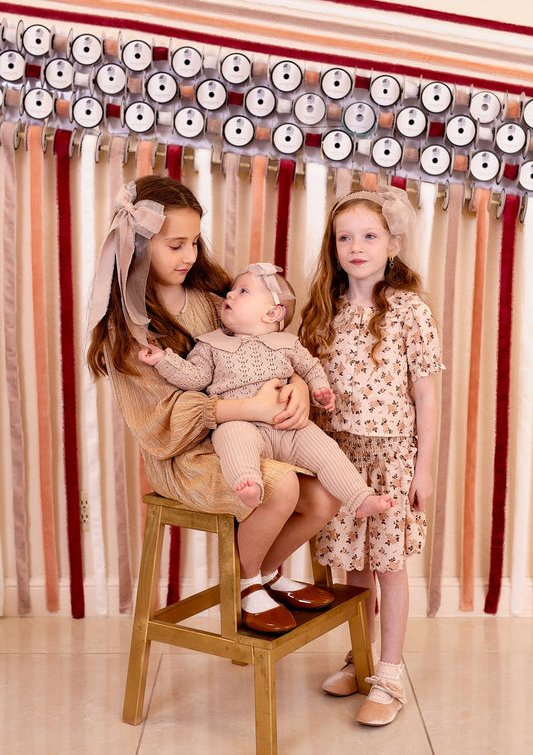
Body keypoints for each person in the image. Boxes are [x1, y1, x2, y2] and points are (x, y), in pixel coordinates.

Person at [87, 175, 347, 637]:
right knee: (283, 489)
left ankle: (267, 573)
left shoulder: (212, 301)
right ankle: (248, 586)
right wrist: (251, 408)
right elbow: (159, 426)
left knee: (325, 497)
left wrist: (297, 388)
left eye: (194, 242)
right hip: (184, 455)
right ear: (138, 246)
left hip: (253, 436)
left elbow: (265, 349)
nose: (189, 255)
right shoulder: (127, 332)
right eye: (175, 245)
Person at [299, 185, 443, 726]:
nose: (356, 247)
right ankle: (359, 658)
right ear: (333, 247)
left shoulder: (409, 311)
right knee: (352, 566)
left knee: (388, 566)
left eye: (369, 236)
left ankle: (388, 675)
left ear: (392, 244)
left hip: (392, 460)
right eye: (345, 238)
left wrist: (423, 471)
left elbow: (426, 397)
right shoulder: (324, 312)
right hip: (339, 459)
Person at [137, 261, 394, 521]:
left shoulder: (288, 344)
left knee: (326, 449)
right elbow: (194, 378)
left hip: (287, 427)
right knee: (233, 440)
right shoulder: (210, 344)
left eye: (243, 291)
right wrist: (164, 360)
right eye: (233, 290)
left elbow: (310, 368)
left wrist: (319, 389)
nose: (230, 294)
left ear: (272, 313)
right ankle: (249, 483)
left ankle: (359, 497)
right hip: (241, 422)